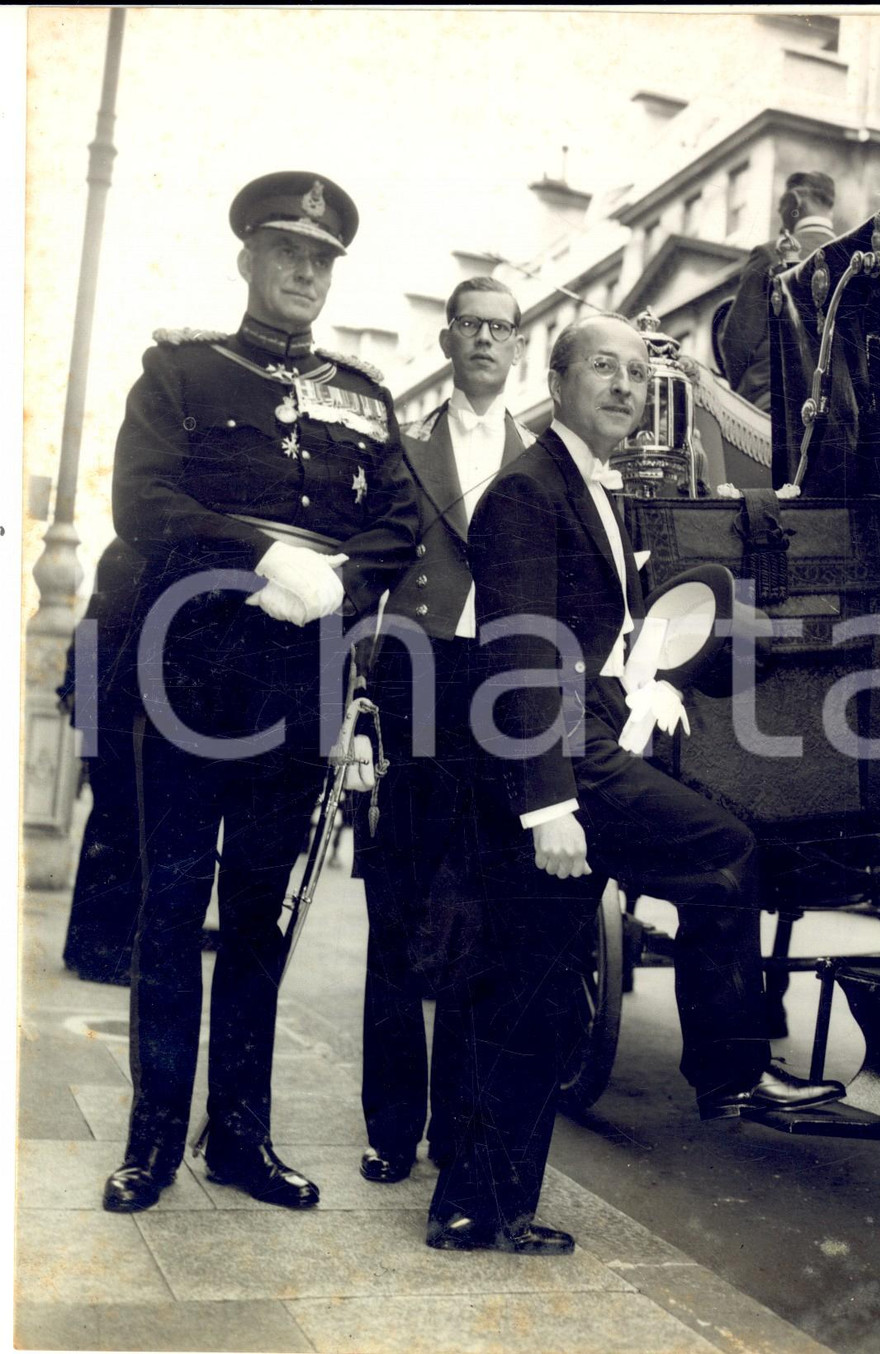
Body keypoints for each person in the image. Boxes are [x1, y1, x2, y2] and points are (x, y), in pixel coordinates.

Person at [426, 313, 845, 1254]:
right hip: (553, 766)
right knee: (724, 850)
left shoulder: (592, 487)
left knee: (532, 992)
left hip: (581, 739)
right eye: (601, 369)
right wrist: (549, 804)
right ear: (559, 379)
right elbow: (523, 656)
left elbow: (590, 638)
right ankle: (732, 1069)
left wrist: (642, 685)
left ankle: (478, 1211)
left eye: (634, 372)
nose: (622, 386)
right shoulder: (529, 491)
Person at [101, 171, 418, 1214]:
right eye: (286, 249)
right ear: (247, 257)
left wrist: (340, 580)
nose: (303, 268)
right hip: (187, 675)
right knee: (170, 905)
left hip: (299, 687)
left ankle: (237, 1135)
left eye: (321, 257)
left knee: (261, 915)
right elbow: (142, 500)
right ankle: (151, 1142)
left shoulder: (367, 400)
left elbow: (399, 522)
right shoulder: (184, 373)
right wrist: (262, 558)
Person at [353, 277, 532, 1184]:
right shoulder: (403, 450)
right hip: (411, 677)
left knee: (480, 914)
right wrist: (355, 710)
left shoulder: (538, 458)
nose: (486, 340)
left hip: (498, 691)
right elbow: (364, 582)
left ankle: (459, 1129)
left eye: (502, 327)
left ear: (520, 345)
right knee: (398, 907)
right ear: (448, 339)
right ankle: (390, 1127)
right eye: (471, 325)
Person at [60, 538, 146, 987]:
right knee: (123, 826)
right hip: (120, 712)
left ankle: (88, 947)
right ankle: (104, 952)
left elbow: (90, 632)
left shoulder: (119, 549)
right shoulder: (136, 551)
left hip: (104, 711)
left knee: (111, 824)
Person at [719, 171, 837, 410]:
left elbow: (737, 342)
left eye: (782, 204)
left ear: (795, 202)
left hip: (772, 401)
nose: (779, 212)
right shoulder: (853, 253)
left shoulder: (769, 254)